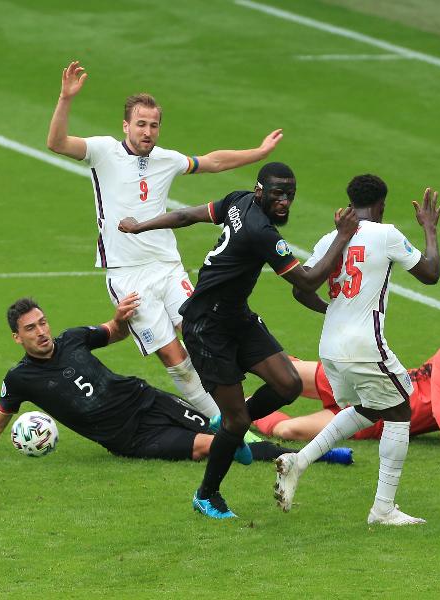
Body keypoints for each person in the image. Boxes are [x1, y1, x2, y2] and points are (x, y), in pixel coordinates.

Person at [118, 161, 358, 518]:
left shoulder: (238, 201)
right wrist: (342, 236)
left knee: (288, 384)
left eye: (289, 195)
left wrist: (141, 226)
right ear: (260, 191)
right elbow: (306, 282)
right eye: (277, 194)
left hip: (237, 318)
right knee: (237, 422)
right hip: (206, 327)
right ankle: (207, 494)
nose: (284, 203)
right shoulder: (262, 232)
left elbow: (188, 216)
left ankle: (231, 422)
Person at [46, 60, 284, 420]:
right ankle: (223, 424)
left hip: (168, 267)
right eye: (141, 124)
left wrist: (259, 153)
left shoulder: (166, 160)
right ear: (126, 125)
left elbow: (212, 162)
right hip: (127, 275)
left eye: (154, 125)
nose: (148, 131)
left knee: (203, 334)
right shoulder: (103, 151)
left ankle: (235, 418)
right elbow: (57, 143)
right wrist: (65, 99)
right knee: (175, 357)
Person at [0, 296, 352, 467]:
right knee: (206, 446)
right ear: (17, 338)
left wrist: (119, 318)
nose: (41, 331)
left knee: (227, 430)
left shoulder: (73, 338)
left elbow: (114, 332)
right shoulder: (20, 379)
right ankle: (303, 457)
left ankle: (315, 453)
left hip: (147, 399)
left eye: (42, 322)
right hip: (131, 437)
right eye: (31, 328)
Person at [274, 176, 440, 526]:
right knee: (400, 410)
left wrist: (335, 309)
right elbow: (430, 273)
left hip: (331, 347)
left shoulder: (329, 240)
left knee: (368, 408)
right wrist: (429, 229)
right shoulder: (386, 234)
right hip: (364, 345)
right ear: (381, 204)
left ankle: (298, 462)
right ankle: (383, 509)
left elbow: (301, 289)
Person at [253, 350, 440, 440]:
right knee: (280, 371)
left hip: (376, 420)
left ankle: (242, 408)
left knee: (287, 431)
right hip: (367, 382)